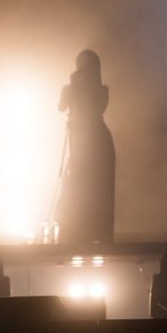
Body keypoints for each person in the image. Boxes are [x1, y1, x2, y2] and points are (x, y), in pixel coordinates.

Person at [55, 49, 116, 244]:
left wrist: (80, 89)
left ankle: (98, 236)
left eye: (89, 67)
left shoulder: (102, 90)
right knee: (75, 189)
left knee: (98, 190)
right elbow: (61, 106)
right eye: (81, 66)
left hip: (98, 142)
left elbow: (96, 107)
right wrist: (73, 86)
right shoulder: (70, 88)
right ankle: (76, 235)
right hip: (80, 143)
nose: (84, 71)